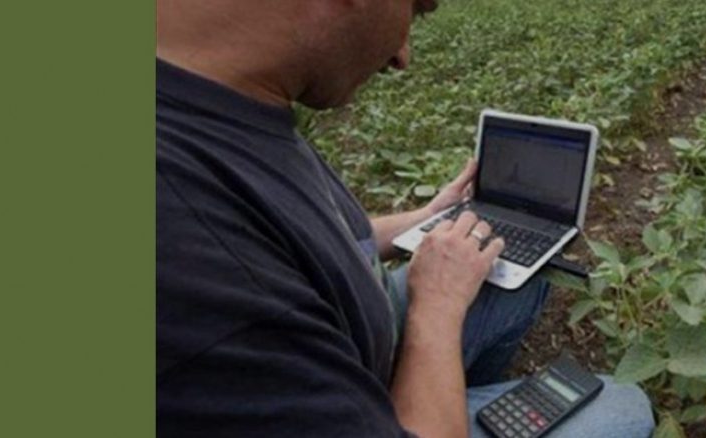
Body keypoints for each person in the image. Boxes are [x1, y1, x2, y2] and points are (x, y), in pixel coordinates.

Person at [156, 0, 655, 436]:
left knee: (517, 270)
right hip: (374, 401)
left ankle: (449, 391)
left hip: (349, 335)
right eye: (417, 8)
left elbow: (296, 242)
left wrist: (427, 218)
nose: (402, 56)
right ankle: (448, 407)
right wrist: (434, 310)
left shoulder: (216, 98)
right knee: (624, 407)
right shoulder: (186, 243)